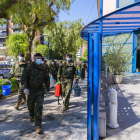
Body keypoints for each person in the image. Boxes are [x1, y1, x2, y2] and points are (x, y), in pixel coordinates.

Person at [21, 53, 50, 134]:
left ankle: (38, 126)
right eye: (37, 58)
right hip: (30, 91)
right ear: (33, 59)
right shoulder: (29, 68)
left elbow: (47, 79)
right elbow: (23, 78)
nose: (39, 59)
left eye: (40, 58)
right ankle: (31, 115)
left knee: (38, 108)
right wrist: (25, 88)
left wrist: (47, 89)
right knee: (30, 107)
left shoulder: (43, 68)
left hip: (40, 91)